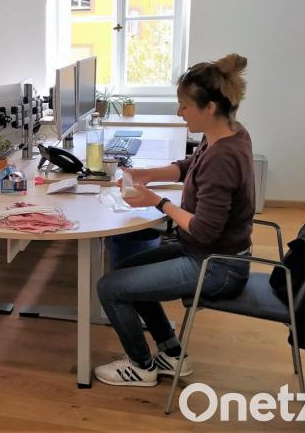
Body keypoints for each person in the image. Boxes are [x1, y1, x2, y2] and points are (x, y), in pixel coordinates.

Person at [95, 54, 255, 387]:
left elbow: (204, 230)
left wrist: (158, 202)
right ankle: (171, 352)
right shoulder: (228, 134)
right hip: (207, 253)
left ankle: (141, 367)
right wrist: (147, 174)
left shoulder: (224, 157)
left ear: (209, 108)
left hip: (217, 266)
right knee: (125, 271)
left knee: (110, 288)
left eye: (184, 106)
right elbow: (189, 165)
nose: (179, 112)